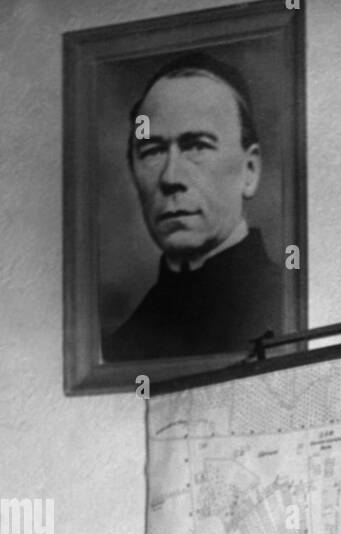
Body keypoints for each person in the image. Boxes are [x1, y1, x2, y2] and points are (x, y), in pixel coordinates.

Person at [103, 51, 281, 362]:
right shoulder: (120, 347)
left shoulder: (289, 306)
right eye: (152, 151)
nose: (171, 177)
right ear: (132, 170)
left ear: (249, 170)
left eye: (197, 146)